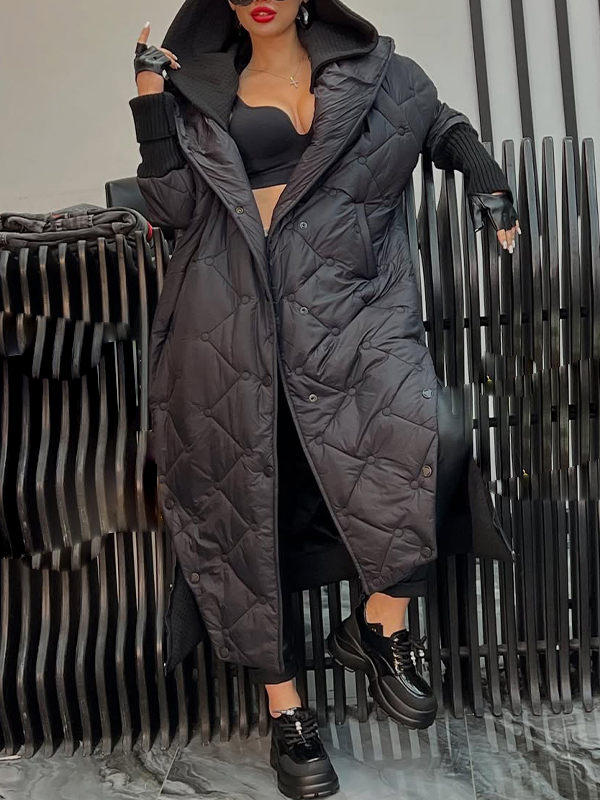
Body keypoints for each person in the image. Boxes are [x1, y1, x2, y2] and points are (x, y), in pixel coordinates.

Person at [129, 1, 518, 797]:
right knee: (246, 506)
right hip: (225, 317)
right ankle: (287, 712)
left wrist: (484, 174)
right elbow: (170, 210)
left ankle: (378, 625)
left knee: (428, 436)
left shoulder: (375, 72)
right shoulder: (200, 92)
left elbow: (436, 122)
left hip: (346, 309)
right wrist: (148, 103)